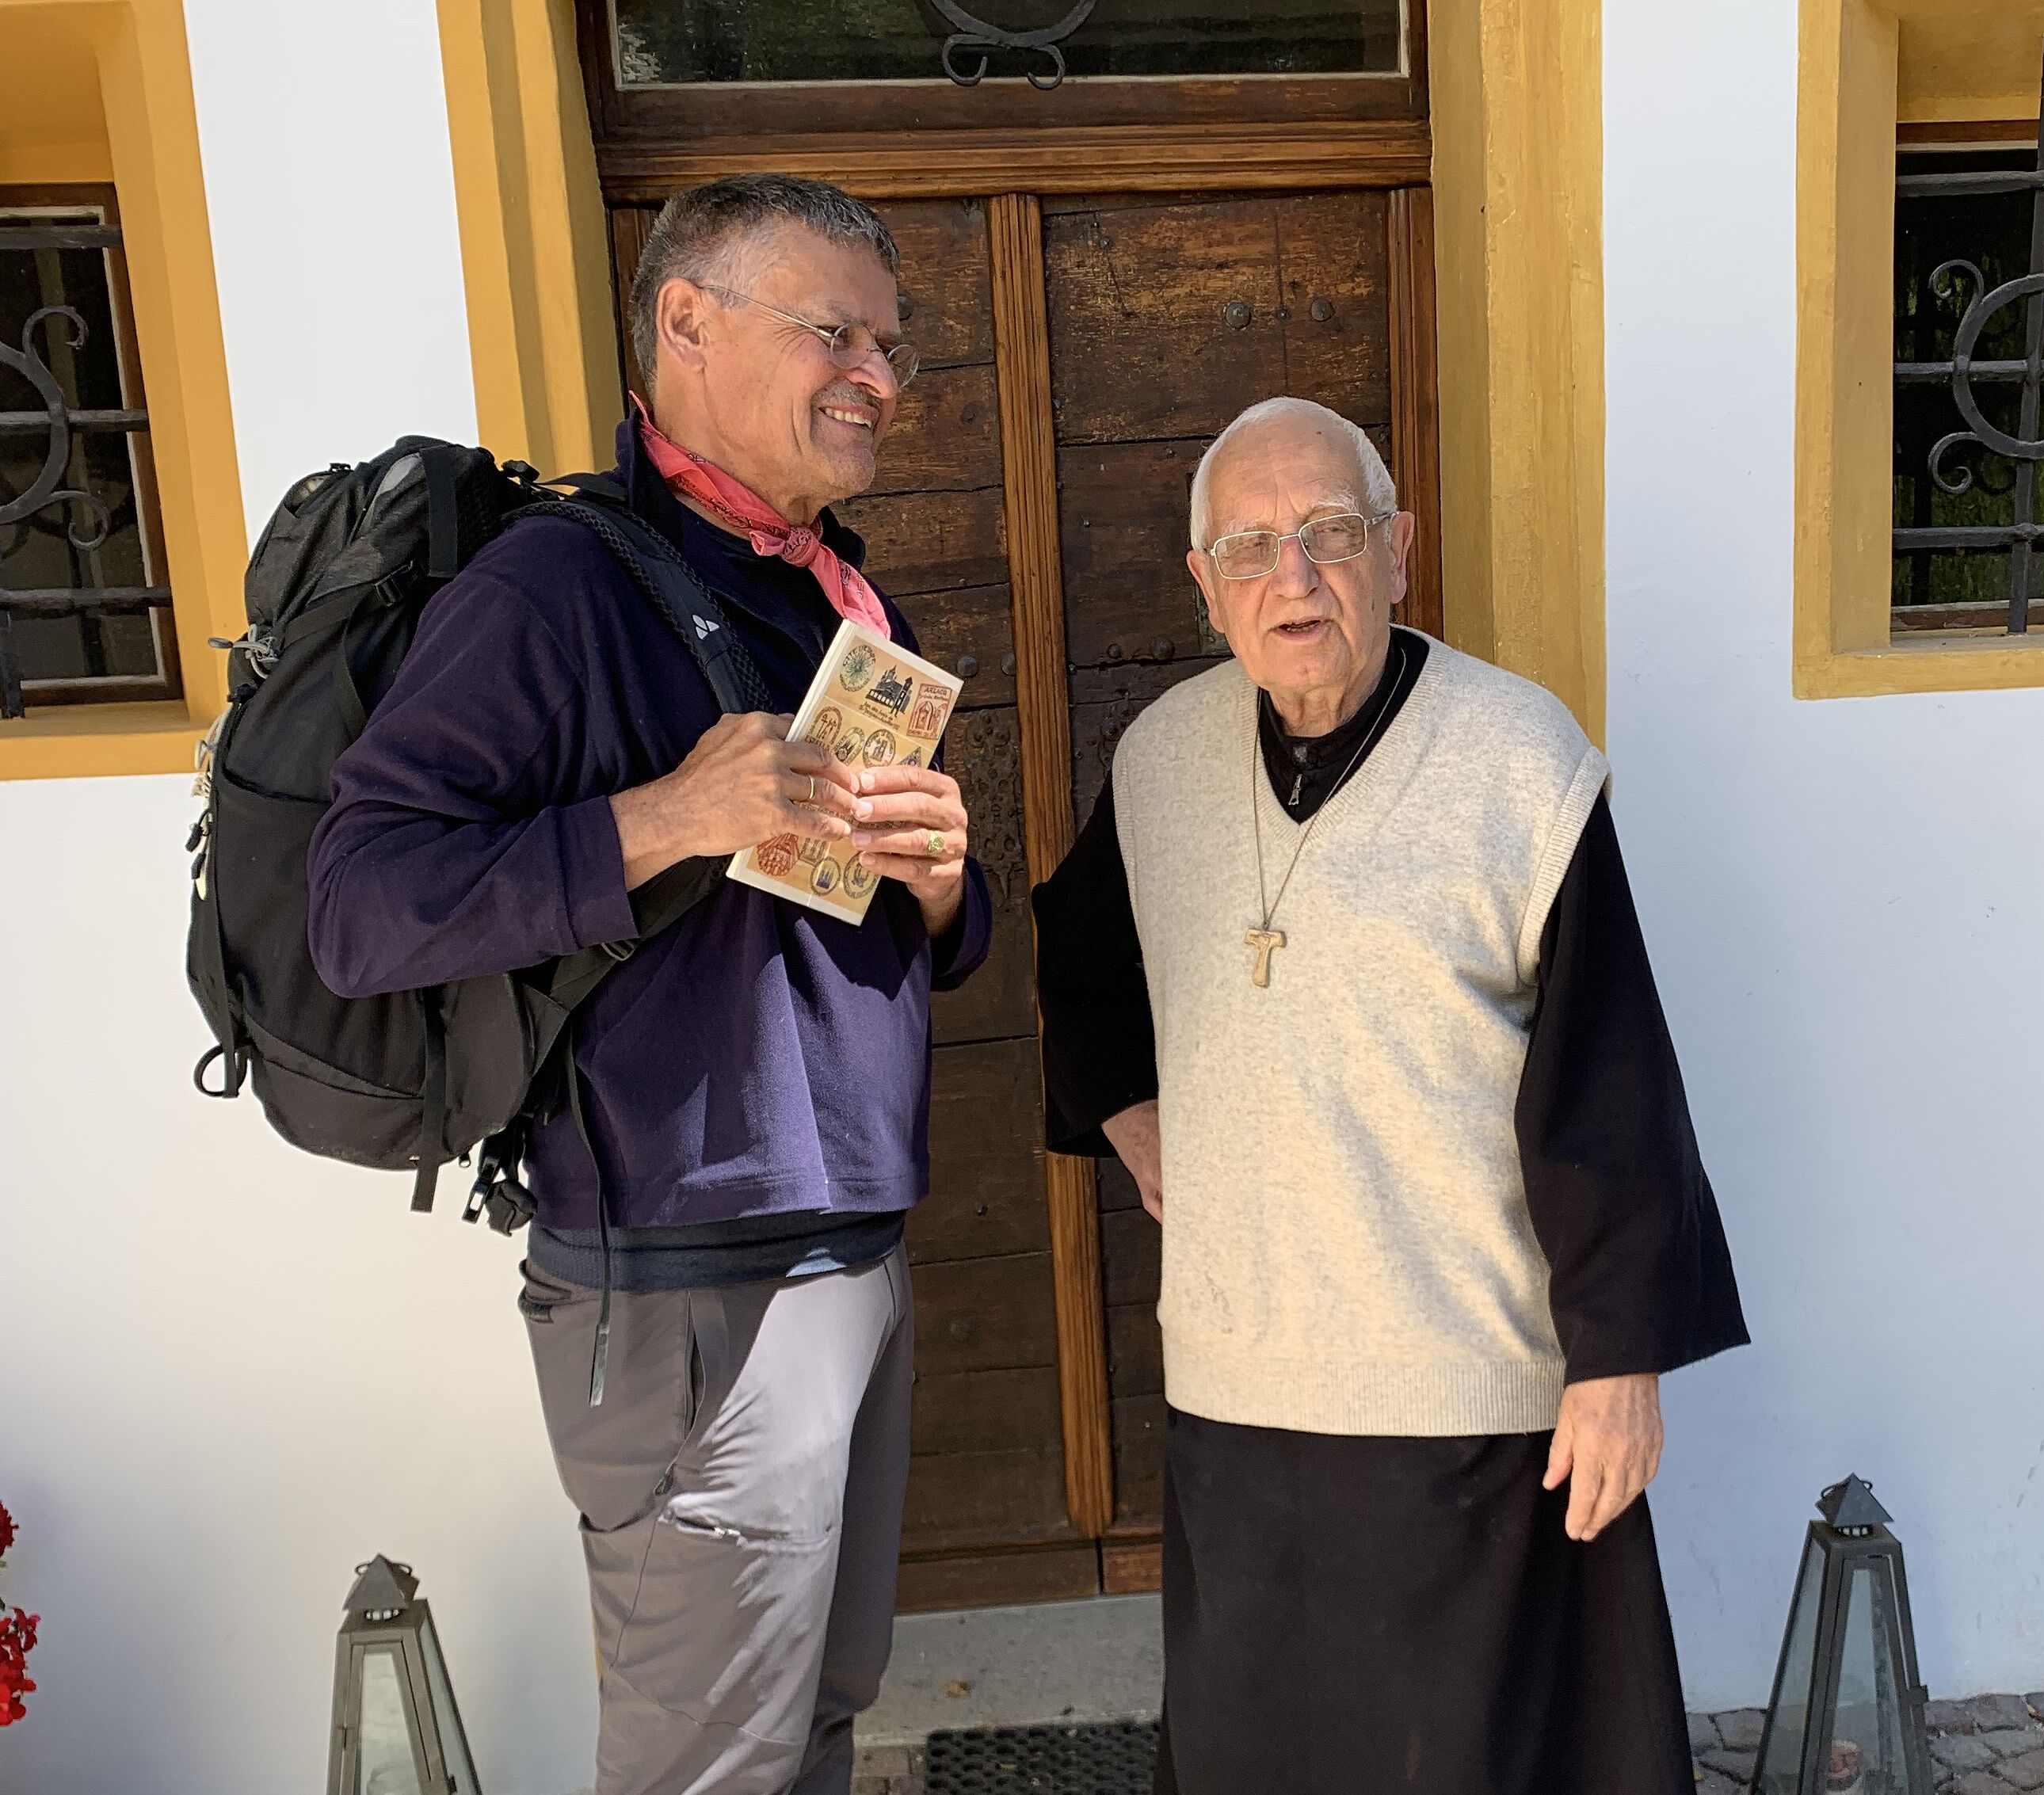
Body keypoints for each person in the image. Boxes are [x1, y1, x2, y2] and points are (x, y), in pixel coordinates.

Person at [310, 174, 989, 1795]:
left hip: (846, 1249)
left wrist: (943, 884)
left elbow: (890, 944)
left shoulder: (837, 596)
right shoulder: (555, 590)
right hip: (686, 1288)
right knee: (711, 1766)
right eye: (837, 334)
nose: (878, 378)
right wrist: (664, 815)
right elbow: (359, 902)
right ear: (686, 320)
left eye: (891, 347)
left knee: (813, 1726)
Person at [1031, 395, 1748, 1795]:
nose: (1292, 575)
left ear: (1399, 550)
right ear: (1205, 587)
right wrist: (1128, 1112)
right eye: (1250, 546)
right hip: (1240, 1390)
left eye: (1331, 532)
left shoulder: (1519, 761)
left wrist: (1618, 1364)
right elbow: (1082, 954)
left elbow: (1611, 1079)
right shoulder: (1160, 761)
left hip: (1468, 1404)